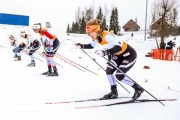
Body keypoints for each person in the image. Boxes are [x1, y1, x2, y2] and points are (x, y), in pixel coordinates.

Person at [75, 19, 144, 100]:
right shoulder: (97, 37)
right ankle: (114, 92)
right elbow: (91, 45)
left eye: (90, 33)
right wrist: (81, 46)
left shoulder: (107, 36)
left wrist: (104, 53)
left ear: (96, 30)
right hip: (118, 56)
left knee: (119, 75)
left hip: (129, 55)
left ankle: (138, 88)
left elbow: (118, 47)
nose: (89, 35)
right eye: (87, 33)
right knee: (109, 70)